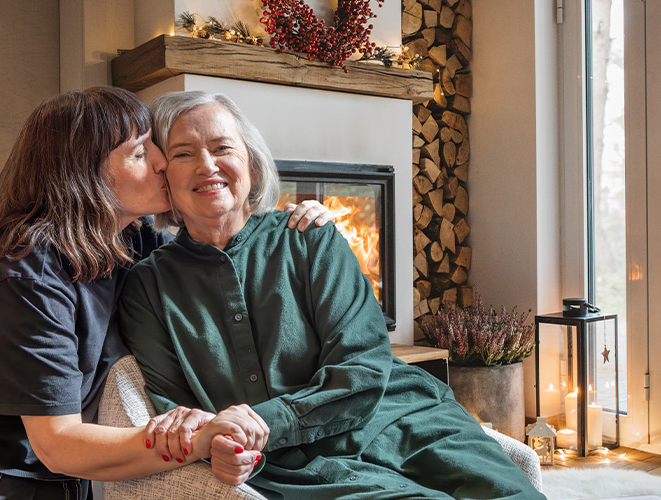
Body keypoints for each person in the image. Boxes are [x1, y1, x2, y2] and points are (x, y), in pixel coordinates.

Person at [119, 90, 546, 499]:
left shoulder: (310, 237)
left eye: (222, 148)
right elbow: (180, 415)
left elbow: (361, 367)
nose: (207, 165)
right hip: (293, 465)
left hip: (399, 417)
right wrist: (223, 445)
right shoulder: (147, 287)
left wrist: (258, 423)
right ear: (163, 176)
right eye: (183, 153)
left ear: (250, 161)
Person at [0, 86, 331, 499]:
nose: (161, 162)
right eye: (140, 153)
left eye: (154, 146)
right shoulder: (23, 270)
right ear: (85, 174)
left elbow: (216, 253)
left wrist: (291, 227)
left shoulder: (129, 240)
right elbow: (57, 443)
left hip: (58, 475)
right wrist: (198, 438)